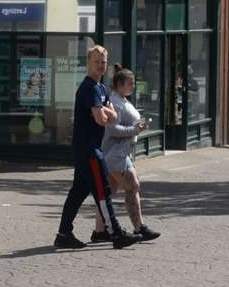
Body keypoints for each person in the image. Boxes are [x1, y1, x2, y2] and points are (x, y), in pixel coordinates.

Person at [55, 45, 137, 249]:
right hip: (88, 149)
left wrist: (107, 114)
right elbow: (103, 120)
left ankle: (64, 234)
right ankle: (115, 233)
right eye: (96, 62)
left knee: (79, 191)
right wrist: (106, 114)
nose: (100, 65)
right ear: (88, 63)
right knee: (103, 189)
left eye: (103, 62)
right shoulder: (89, 88)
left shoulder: (100, 88)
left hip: (92, 148)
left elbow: (112, 116)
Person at [92, 68, 159, 243]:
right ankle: (139, 228)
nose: (134, 86)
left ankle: (99, 231)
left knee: (110, 192)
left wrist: (138, 126)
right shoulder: (114, 102)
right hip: (115, 155)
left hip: (122, 153)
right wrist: (135, 129)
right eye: (130, 83)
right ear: (120, 85)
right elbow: (112, 129)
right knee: (133, 186)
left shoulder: (123, 100)